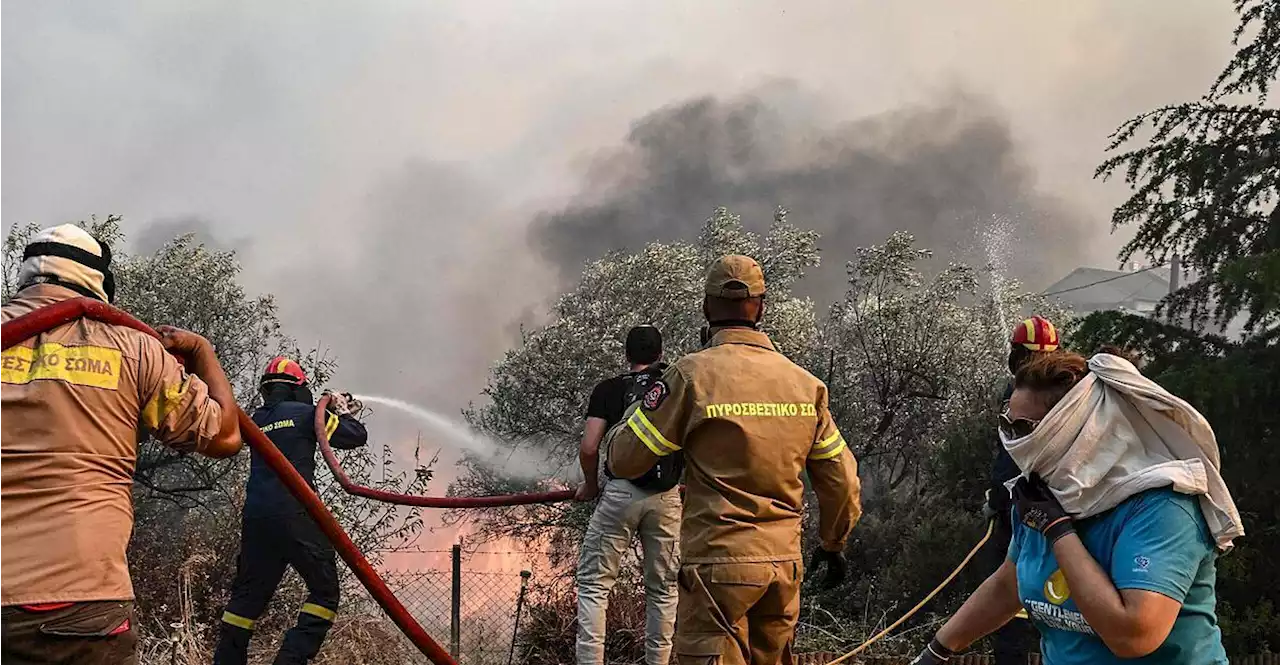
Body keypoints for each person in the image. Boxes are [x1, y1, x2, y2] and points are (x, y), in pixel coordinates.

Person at [0, 224, 242, 665]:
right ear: (98, 284)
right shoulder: (134, 350)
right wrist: (203, 352)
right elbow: (225, 437)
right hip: (77, 606)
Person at [607, 255, 862, 665]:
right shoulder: (805, 385)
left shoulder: (690, 376)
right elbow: (843, 481)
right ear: (761, 307)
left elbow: (624, 461)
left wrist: (639, 407)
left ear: (707, 308)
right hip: (783, 569)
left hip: (716, 569)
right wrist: (833, 543)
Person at [911, 350, 1241, 665]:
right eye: (1008, 425)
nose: (1014, 441)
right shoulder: (1045, 492)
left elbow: (1133, 635)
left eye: (1026, 428)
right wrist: (937, 651)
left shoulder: (1163, 507)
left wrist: (1059, 531)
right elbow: (1009, 582)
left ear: (1075, 425)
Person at [213, 358, 368, 665]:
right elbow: (355, 436)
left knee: (246, 601)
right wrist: (340, 409)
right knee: (325, 594)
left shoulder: (253, 420)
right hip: (297, 515)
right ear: (299, 389)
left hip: (257, 520)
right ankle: (291, 659)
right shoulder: (307, 414)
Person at [574, 325, 683, 665]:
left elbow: (589, 447)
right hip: (667, 497)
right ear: (660, 355)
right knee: (663, 589)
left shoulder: (609, 390)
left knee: (594, 586)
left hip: (620, 493)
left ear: (627, 354)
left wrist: (591, 485)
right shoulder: (675, 387)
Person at [981, 316, 1058, 663]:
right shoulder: (1073, 395)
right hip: (1063, 520)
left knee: (1008, 603)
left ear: (1016, 354)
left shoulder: (1017, 396)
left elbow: (1009, 465)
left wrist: (996, 502)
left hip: (1019, 517)